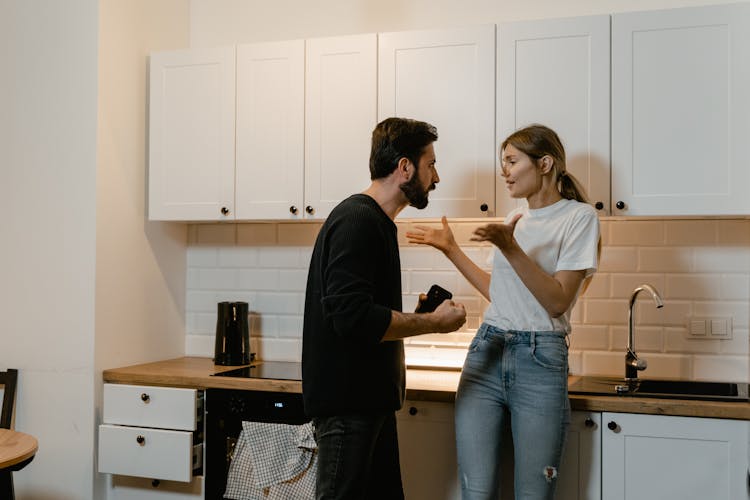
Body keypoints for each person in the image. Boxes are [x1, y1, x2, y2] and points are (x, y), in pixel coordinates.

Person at [406, 124, 600, 499]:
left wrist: (510, 247)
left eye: (512, 161)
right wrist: (451, 248)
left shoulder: (579, 218)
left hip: (540, 358)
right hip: (487, 350)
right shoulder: (515, 219)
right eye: (503, 163)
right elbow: (502, 294)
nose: (504, 171)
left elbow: (558, 300)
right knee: (475, 492)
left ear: (544, 164)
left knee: (533, 493)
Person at [302, 117, 468, 500]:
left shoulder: (374, 222)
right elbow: (353, 318)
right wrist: (432, 322)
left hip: (367, 405)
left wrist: (418, 312)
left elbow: (360, 312)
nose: (437, 177)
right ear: (405, 167)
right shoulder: (359, 220)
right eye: (431, 164)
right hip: (349, 409)